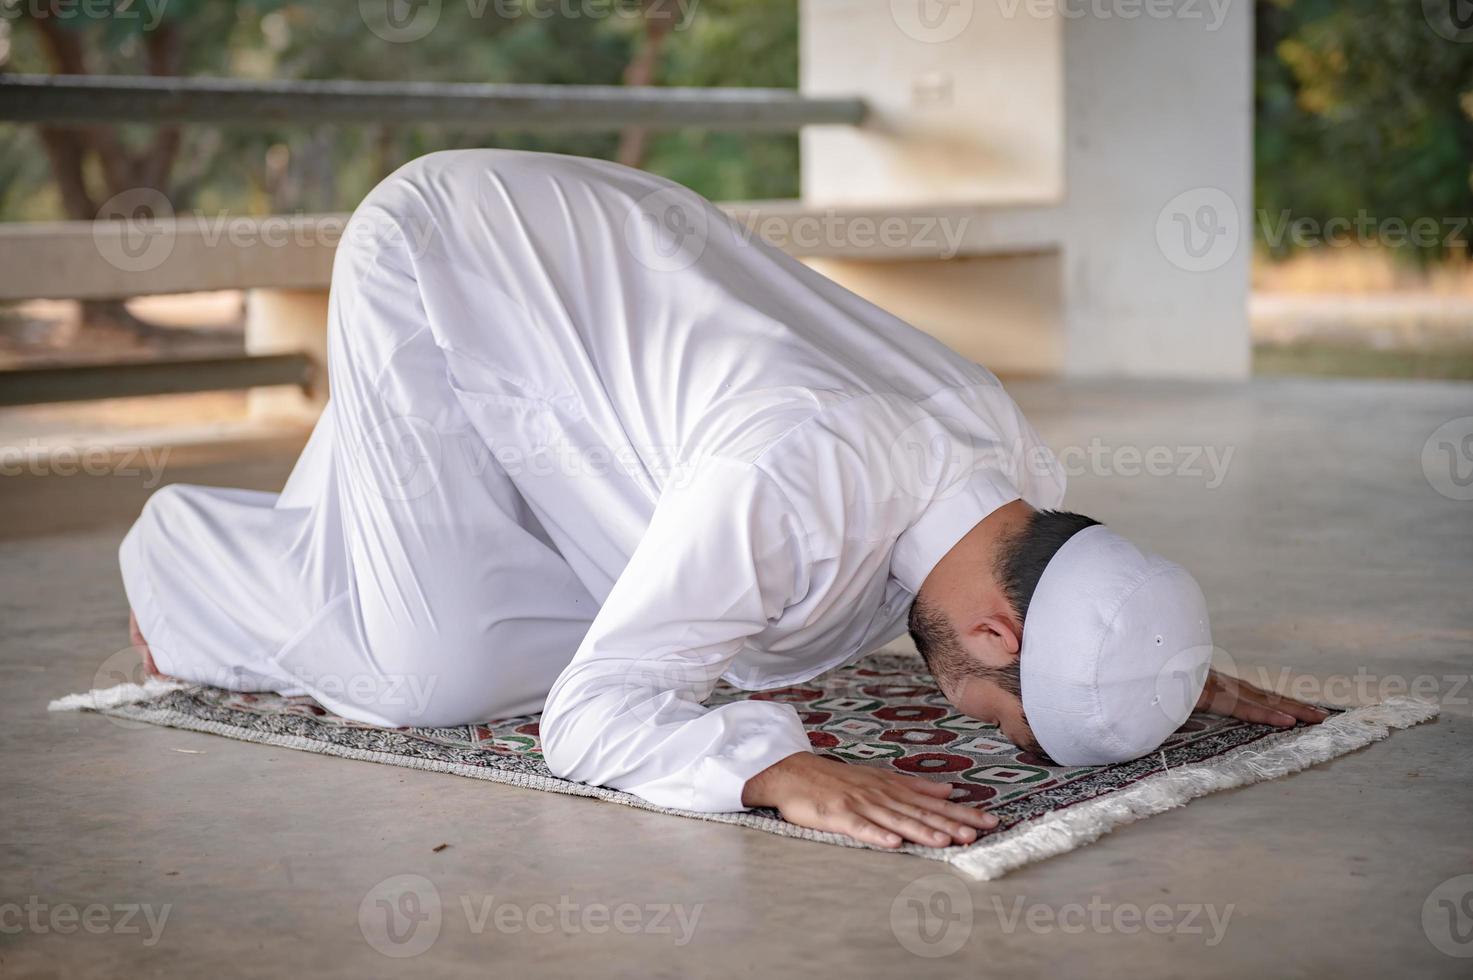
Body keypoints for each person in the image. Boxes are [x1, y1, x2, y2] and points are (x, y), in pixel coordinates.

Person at [121, 150, 1326, 850]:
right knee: (431, 671)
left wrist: (1154, 665)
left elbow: (1083, 593)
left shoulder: (1014, 483)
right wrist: (769, 770)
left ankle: (401, 481)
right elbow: (589, 718)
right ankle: (193, 562)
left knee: (628, 616)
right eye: (1003, 719)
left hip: (594, 300)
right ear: (1000, 633)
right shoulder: (790, 483)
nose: (975, 727)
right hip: (451, 259)